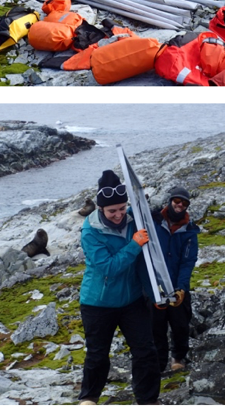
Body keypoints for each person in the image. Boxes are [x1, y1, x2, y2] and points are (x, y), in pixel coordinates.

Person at [78, 170, 160, 405]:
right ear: (100, 209)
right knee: (97, 356)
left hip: (132, 300)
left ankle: (148, 401)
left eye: (122, 209)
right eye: (112, 211)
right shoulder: (90, 231)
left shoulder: (134, 219)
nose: (118, 215)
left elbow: (150, 218)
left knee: (145, 351)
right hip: (98, 303)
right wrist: (134, 245)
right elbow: (108, 268)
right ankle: (89, 399)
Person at [151, 187, 200, 372]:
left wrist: (181, 287)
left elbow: (188, 261)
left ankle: (178, 357)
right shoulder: (154, 221)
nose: (180, 205)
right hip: (155, 285)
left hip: (177, 285)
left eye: (184, 203)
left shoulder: (190, 231)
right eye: (177, 201)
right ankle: (159, 361)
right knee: (156, 325)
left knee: (180, 325)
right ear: (170, 201)